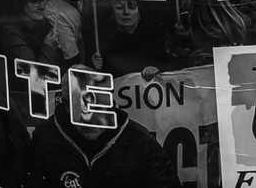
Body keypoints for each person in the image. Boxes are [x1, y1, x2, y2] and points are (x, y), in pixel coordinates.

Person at [22, 68, 182, 188]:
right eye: (80, 109)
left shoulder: (140, 141)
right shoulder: (46, 137)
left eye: (97, 107)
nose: (90, 120)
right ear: (65, 106)